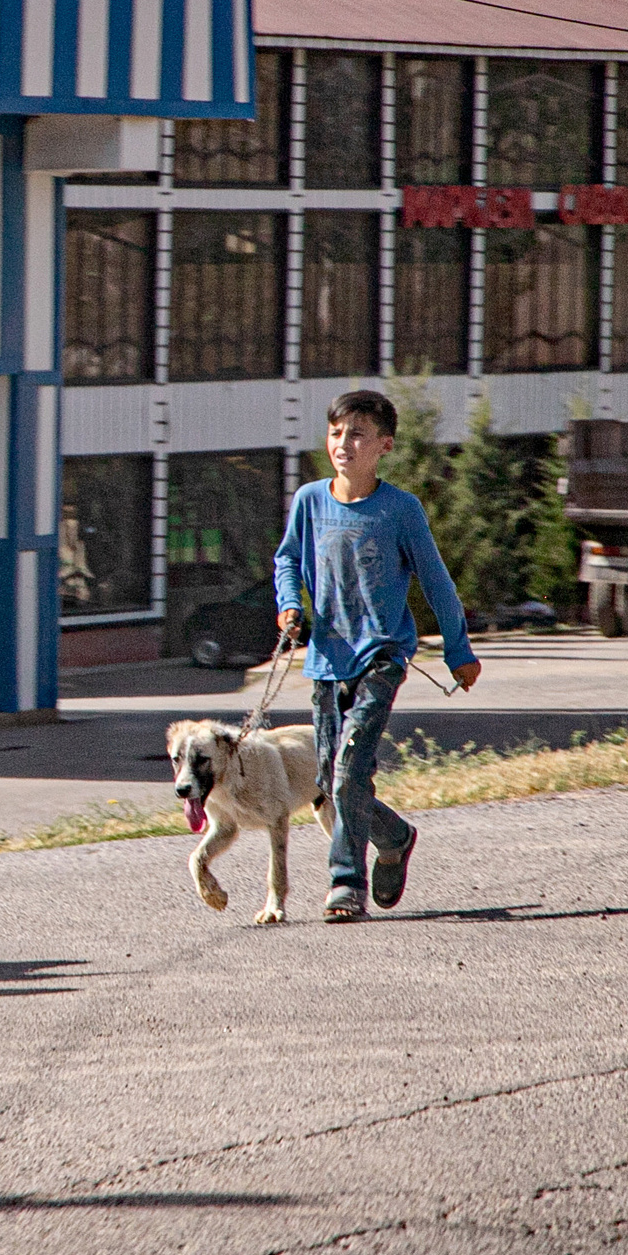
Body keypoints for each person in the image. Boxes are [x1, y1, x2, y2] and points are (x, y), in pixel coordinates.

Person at [271, 388, 482, 923]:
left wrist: (458, 650)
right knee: (329, 782)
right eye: (336, 433)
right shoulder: (310, 501)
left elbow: (437, 582)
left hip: (381, 658)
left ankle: (345, 885)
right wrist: (290, 605)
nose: (344, 443)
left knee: (349, 771)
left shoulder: (400, 510)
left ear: (384, 445)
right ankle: (395, 837)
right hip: (326, 659)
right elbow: (288, 561)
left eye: (358, 434)